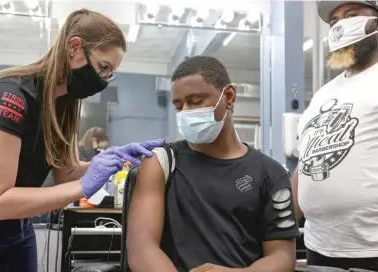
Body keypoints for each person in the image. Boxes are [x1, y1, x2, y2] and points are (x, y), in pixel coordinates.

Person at [0, 9, 163, 272]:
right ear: (75, 46)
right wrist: (84, 186)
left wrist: (105, 160)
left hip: (19, 227)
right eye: (103, 67)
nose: (104, 79)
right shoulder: (10, 96)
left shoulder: (63, 105)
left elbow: (65, 173)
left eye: (110, 73)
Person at [127, 56, 300, 272]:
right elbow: (142, 249)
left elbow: (282, 257)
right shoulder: (161, 162)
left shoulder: (270, 173)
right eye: (179, 106)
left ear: (229, 96)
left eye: (196, 101)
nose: (186, 112)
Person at [292, 1, 378, 270]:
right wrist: (283, 225)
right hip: (320, 245)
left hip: (371, 246)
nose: (340, 25)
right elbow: (304, 164)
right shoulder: (324, 93)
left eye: (351, 15)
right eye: (333, 21)